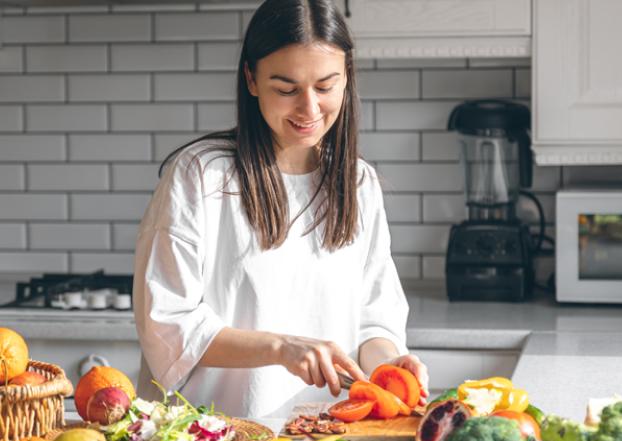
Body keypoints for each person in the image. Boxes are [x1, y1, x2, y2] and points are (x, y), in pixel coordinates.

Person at [133, 0, 428, 418]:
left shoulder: (358, 183)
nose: (309, 109)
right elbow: (167, 327)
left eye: (326, 87)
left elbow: (374, 319)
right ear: (251, 79)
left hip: (326, 440)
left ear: (347, 78)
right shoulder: (201, 176)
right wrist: (281, 348)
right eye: (287, 89)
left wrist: (388, 366)